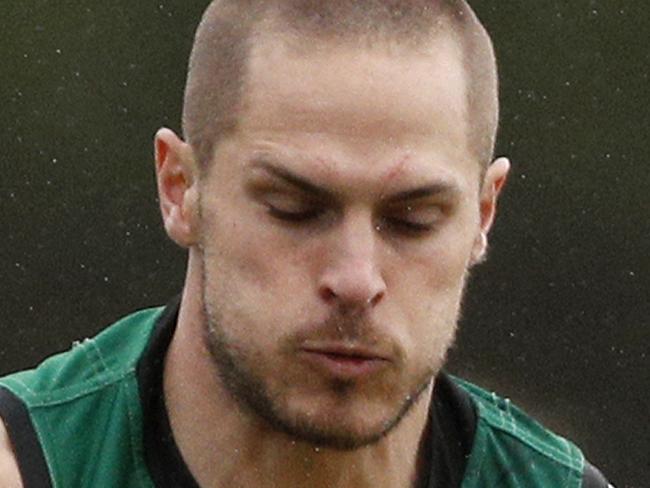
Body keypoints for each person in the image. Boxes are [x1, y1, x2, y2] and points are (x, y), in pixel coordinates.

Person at [0, 1, 613, 487]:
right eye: (295, 209)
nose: (355, 279)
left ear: (483, 214)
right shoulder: (33, 467)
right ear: (179, 188)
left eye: (414, 220)